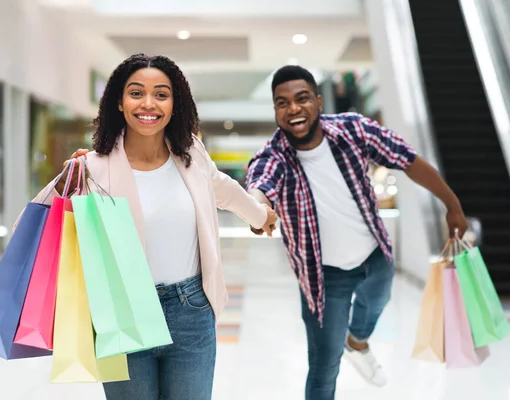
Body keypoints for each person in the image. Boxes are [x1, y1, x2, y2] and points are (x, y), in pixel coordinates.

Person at [29, 53, 277, 400]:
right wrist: (61, 186)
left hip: (192, 309)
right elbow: (32, 231)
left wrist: (260, 216)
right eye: (136, 93)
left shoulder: (191, 154)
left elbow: (221, 187)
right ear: (119, 101)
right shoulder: (94, 167)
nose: (149, 103)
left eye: (161, 94)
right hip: (122, 313)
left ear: (175, 104)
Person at [245, 65, 468, 399]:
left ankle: (357, 341)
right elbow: (259, 186)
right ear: (275, 110)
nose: (293, 109)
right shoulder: (272, 155)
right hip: (323, 279)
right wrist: (257, 211)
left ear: (318, 102)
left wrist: (452, 205)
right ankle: (349, 344)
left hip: (375, 255)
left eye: (302, 98)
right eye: (282, 102)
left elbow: (406, 160)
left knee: (378, 299)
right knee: (323, 368)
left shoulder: (353, 130)